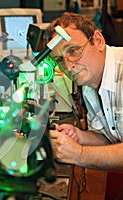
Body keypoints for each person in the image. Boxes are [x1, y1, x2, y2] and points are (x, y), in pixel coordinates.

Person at [46, 12, 123, 170]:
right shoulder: (89, 84)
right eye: (60, 59)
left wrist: (78, 154)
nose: (68, 67)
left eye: (73, 51)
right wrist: (78, 136)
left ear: (98, 41)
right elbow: (109, 138)